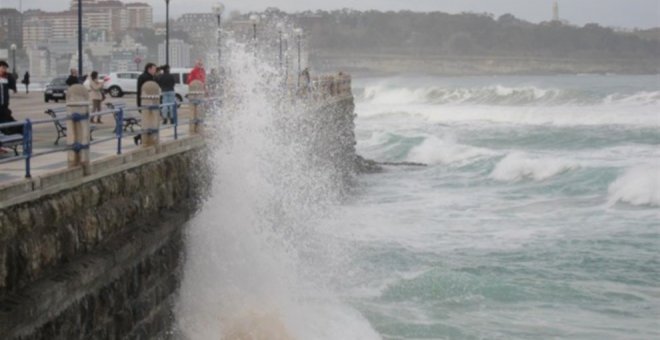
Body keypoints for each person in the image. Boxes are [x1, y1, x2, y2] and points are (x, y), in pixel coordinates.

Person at [134, 63, 157, 145]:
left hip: (145, 102)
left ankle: (141, 137)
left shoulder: (145, 76)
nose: (155, 71)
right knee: (147, 122)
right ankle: (140, 137)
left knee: (148, 122)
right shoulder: (146, 77)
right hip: (146, 102)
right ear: (149, 69)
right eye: (154, 69)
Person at [0, 60, 22, 138]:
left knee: (8, 123)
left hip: (4, 106)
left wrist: (10, 77)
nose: (4, 70)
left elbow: (12, 84)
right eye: (3, 68)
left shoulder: (6, 78)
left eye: (5, 68)